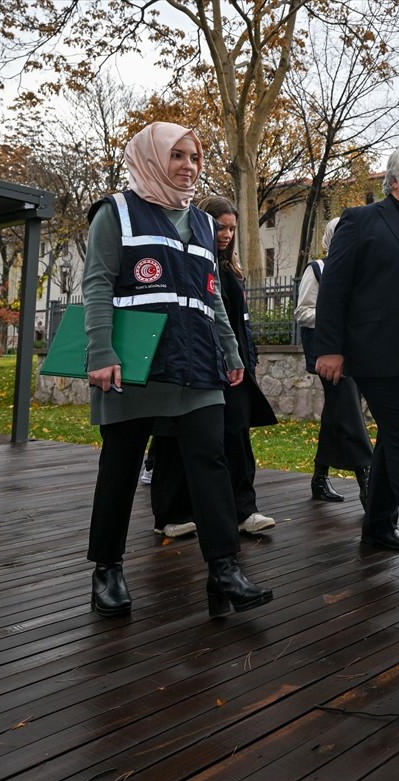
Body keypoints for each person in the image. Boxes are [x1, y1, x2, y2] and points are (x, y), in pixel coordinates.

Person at [82, 121, 273, 619]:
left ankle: (224, 569)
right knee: (120, 468)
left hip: (197, 362)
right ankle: (107, 567)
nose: (189, 166)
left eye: (195, 157)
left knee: (210, 462)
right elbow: (98, 284)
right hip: (136, 365)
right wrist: (100, 352)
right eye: (178, 156)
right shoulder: (116, 212)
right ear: (152, 157)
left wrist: (230, 352)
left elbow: (211, 294)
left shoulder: (205, 224)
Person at [314, 144, 399, 570]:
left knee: (395, 439)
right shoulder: (361, 221)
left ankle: (377, 524)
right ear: (393, 179)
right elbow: (334, 288)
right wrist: (329, 348)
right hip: (380, 356)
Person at [149, 195, 279, 538]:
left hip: (231, 368)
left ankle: (244, 510)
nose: (226, 234)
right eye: (221, 226)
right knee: (174, 438)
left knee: (236, 435)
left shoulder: (229, 268)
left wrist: (244, 359)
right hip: (191, 363)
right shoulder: (188, 262)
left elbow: (236, 321)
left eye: (232, 228)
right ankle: (171, 514)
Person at [294, 217, 375, 505]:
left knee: (337, 413)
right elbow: (303, 313)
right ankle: (367, 479)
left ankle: (319, 477)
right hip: (329, 356)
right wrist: (339, 320)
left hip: (359, 355)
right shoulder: (317, 269)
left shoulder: (362, 272)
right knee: (349, 410)